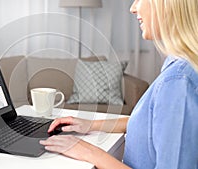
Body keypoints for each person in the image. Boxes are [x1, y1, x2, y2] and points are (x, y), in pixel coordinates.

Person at [40, 0, 198, 168]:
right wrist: (90, 125)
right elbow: (149, 122)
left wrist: (88, 152)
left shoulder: (178, 82)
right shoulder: (178, 66)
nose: (133, 8)